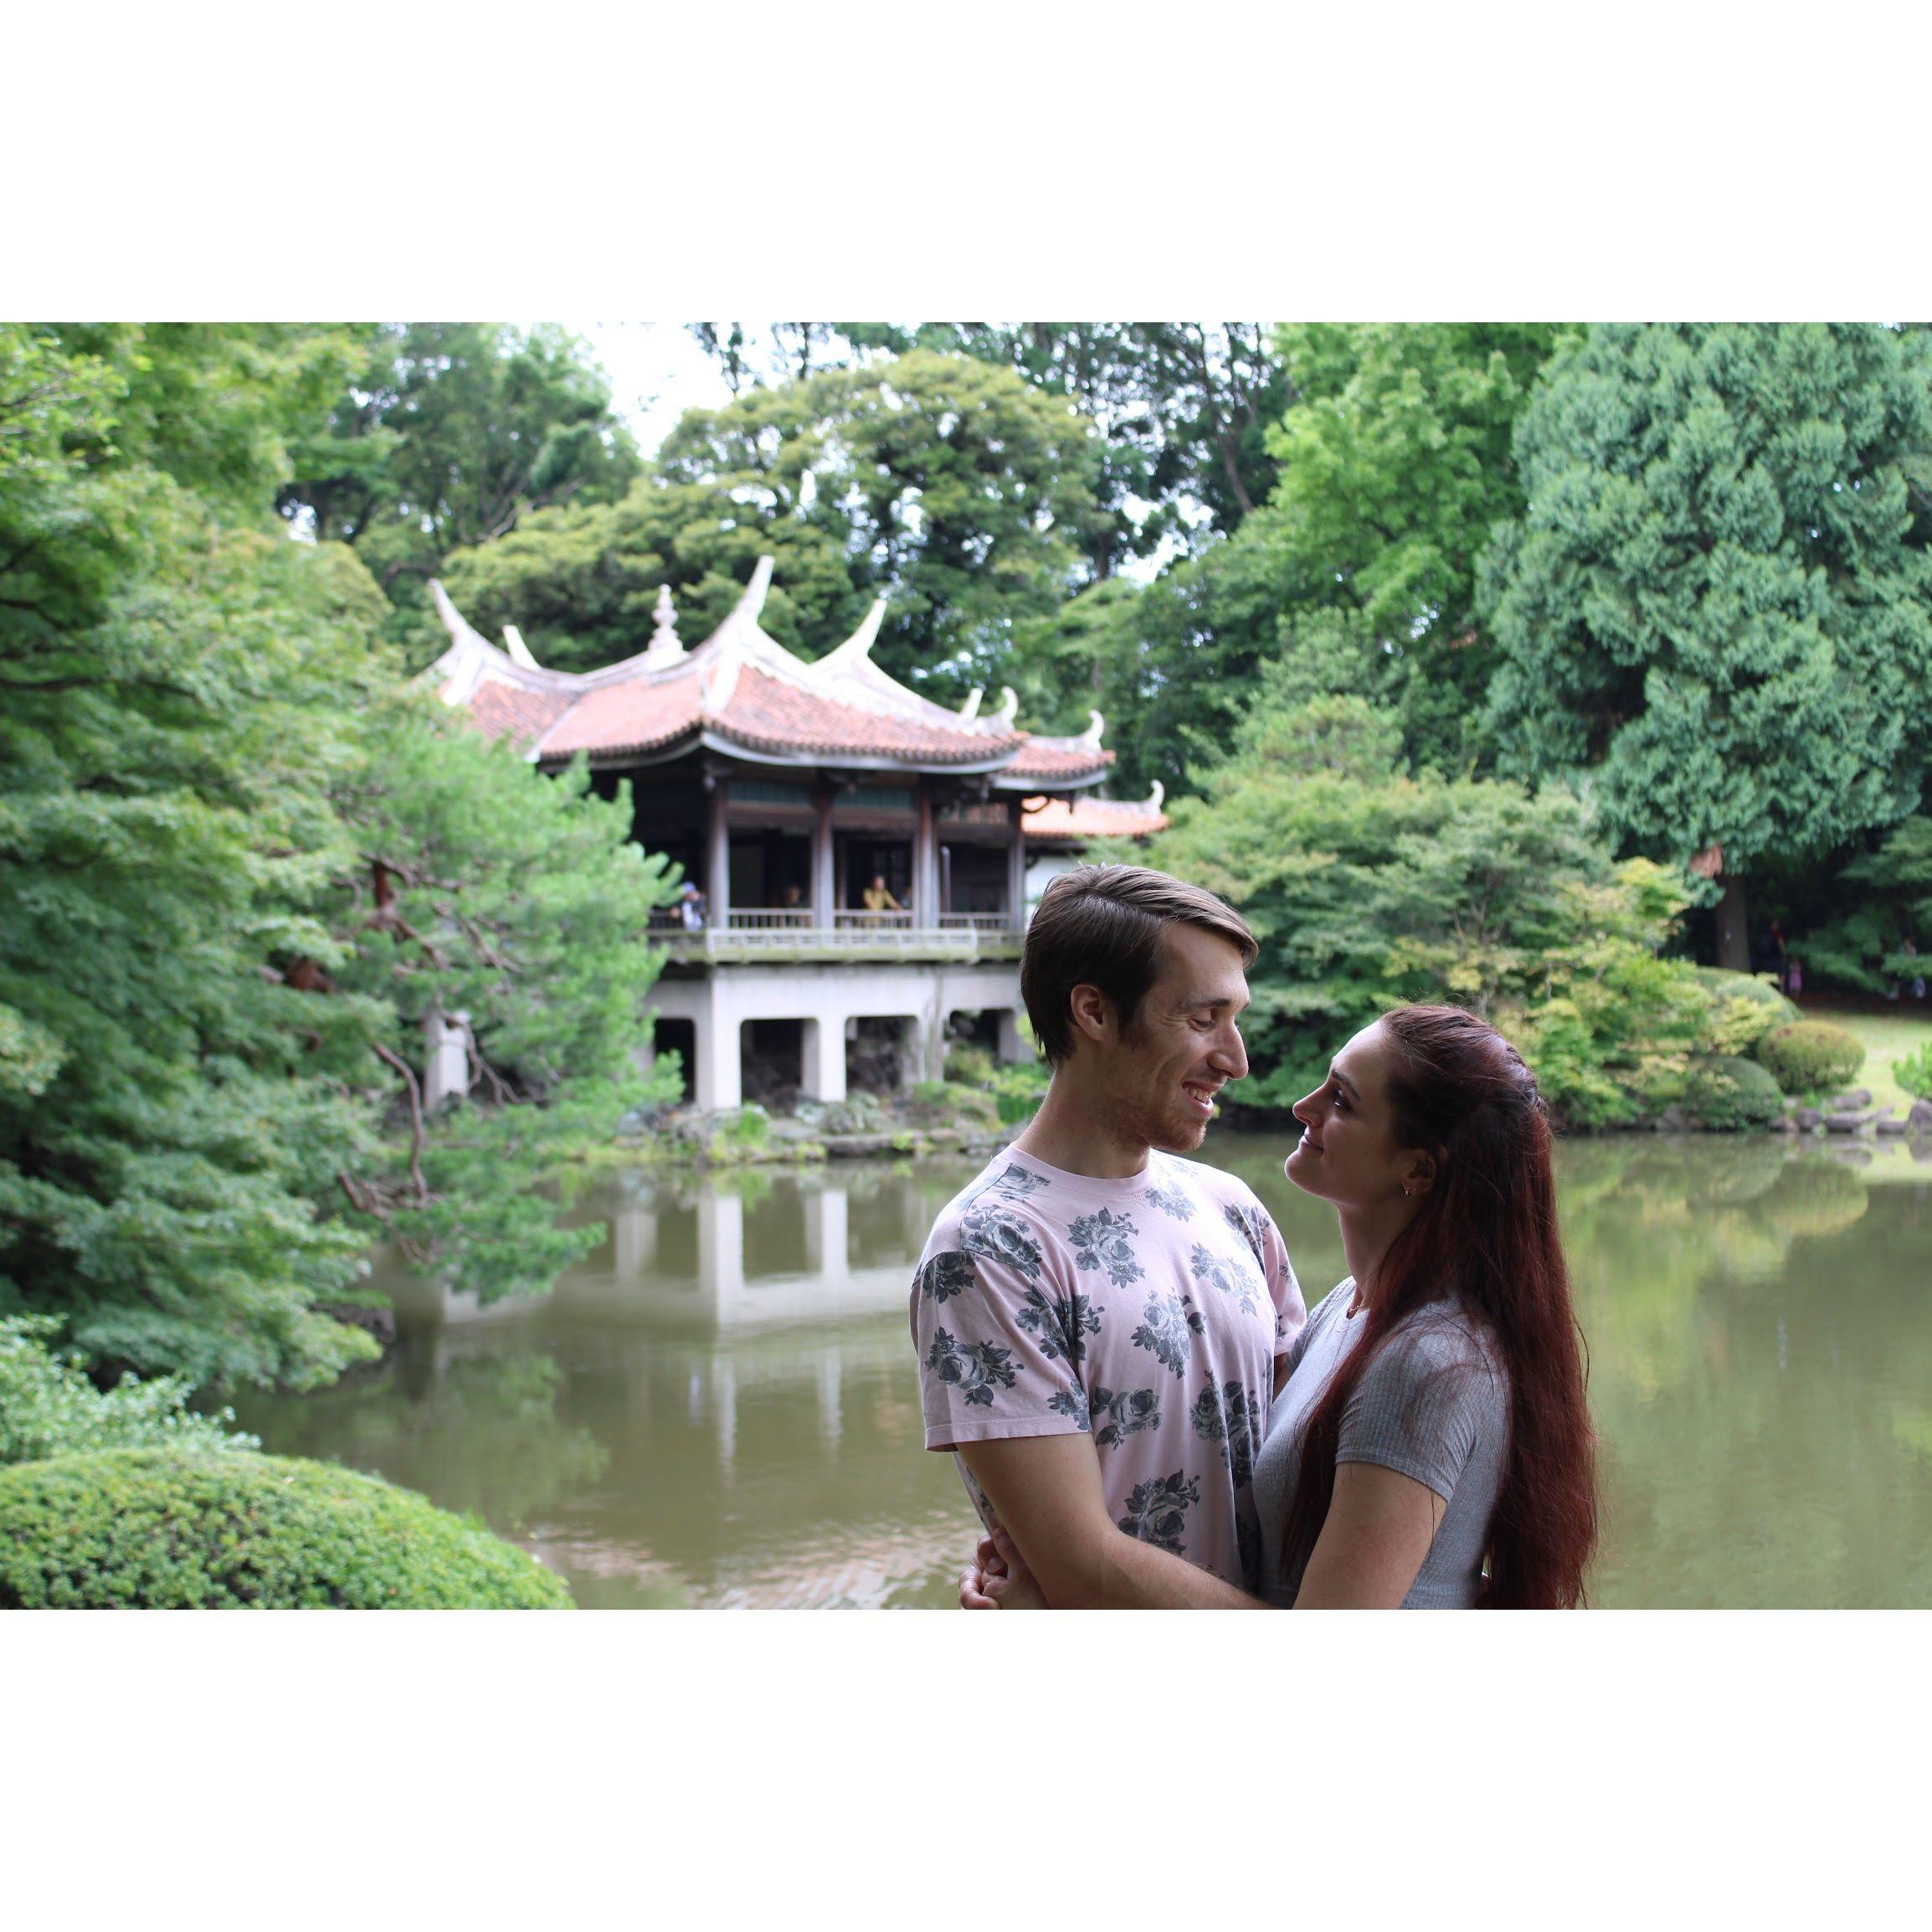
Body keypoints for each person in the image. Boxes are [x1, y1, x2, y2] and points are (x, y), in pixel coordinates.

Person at [963, 1004, 1598, 1610]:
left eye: (1342, 1100)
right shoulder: (1349, 1309)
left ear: (1419, 1171)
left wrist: (1059, 1605)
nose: (1303, 1106)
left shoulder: (1427, 1363)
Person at [910, 866, 1307, 1606]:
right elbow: (1081, 1568)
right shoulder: (990, 1248)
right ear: (1093, 1011)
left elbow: (1310, 1465)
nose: (1237, 1059)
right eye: (1203, 1020)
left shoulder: (1233, 1207)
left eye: (1235, 1018)